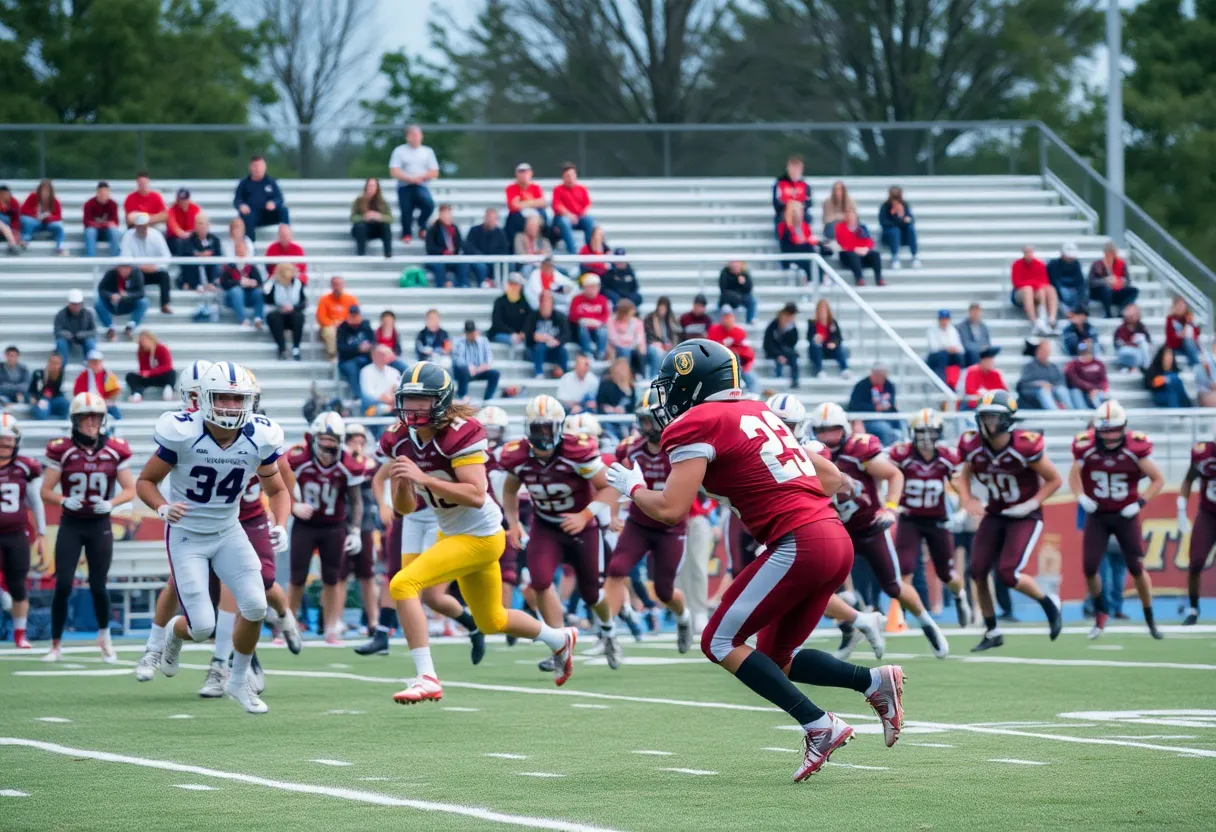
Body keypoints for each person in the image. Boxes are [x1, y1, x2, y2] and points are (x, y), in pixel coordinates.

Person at [605, 339, 904, 780]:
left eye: (673, 386)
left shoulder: (695, 423)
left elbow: (670, 509)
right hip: (833, 536)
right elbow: (833, 478)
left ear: (694, 383)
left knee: (718, 642)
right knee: (777, 656)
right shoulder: (761, 411)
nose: (667, 398)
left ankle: (819, 724)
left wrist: (632, 487)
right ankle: (872, 682)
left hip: (798, 541)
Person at [382, 370, 580, 700]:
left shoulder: (460, 434)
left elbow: (476, 493)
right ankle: (560, 639)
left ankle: (426, 676)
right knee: (491, 620)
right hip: (452, 532)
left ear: (441, 402)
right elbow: (403, 507)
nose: (413, 408)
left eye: (423, 401)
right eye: (409, 400)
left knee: (402, 584)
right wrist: (403, 481)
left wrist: (425, 479)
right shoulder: (398, 439)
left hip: (482, 534)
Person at [136, 362, 291, 713]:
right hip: (188, 536)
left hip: (229, 531)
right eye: (222, 397)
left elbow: (278, 489)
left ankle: (237, 681)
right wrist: (161, 508)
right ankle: (175, 633)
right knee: (202, 627)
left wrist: (279, 523)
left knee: (255, 605)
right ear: (204, 398)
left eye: (238, 400)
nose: (230, 407)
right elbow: (145, 482)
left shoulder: (259, 436)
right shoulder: (182, 433)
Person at [808, 402, 949, 658]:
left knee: (893, 586)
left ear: (846, 429)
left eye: (834, 430)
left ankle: (928, 624)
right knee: (822, 587)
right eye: (822, 431)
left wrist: (891, 508)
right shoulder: (812, 454)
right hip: (838, 531)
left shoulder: (858, 451)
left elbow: (895, 475)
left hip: (871, 526)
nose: (828, 437)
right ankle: (850, 630)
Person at [955, 390, 1064, 651]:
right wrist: (967, 498)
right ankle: (992, 631)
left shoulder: (1025, 445)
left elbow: (1055, 479)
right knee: (977, 570)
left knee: (1007, 572)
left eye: (993, 417)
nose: (986, 422)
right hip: (995, 511)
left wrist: (1031, 503)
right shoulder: (973, 445)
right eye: (984, 417)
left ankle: (1048, 602)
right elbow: (964, 473)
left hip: (1024, 515)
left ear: (1006, 420)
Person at [39, 393, 136, 662]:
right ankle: (55, 644)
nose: (91, 422)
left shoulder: (115, 449)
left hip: (99, 524)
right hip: (71, 524)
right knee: (63, 584)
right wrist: (63, 499)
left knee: (98, 584)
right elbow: (46, 491)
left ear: (103, 419)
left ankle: (104, 637)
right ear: (75, 420)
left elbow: (130, 489)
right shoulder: (63, 449)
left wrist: (111, 503)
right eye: (86, 416)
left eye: (96, 416)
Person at [601, 390, 696, 665]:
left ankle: (683, 617)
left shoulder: (682, 447)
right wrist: (614, 512)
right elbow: (617, 480)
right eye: (642, 421)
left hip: (670, 526)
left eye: (649, 420)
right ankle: (608, 634)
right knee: (617, 568)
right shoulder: (630, 448)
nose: (645, 427)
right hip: (639, 523)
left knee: (664, 591)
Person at [1069, 401, 1165, 640]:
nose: (1111, 436)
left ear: (1124, 428)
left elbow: (1158, 479)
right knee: (1090, 567)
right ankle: (1101, 614)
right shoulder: (1086, 447)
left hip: (1125, 514)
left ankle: (1150, 617)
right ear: (1096, 431)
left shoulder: (1135, 448)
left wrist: (1140, 503)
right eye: (1106, 430)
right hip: (1098, 514)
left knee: (1136, 567)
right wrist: (1081, 497)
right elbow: (1073, 476)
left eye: (1115, 430)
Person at [286, 412, 365, 644]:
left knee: (332, 577)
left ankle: (332, 627)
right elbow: (278, 485)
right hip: (305, 524)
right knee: (297, 576)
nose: (328, 446)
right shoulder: (299, 459)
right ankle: (288, 627)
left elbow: (356, 500)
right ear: (313, 437)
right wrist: (293, 505)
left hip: (334, 526)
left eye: (333, 440)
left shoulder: (349, 464)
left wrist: (356, 530)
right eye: (324, 439)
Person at [889, 409, 972, 627]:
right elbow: (889, 477)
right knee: (905, 569)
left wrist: (962, 508)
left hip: (937, 520)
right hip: (910, 518)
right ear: (913, 433)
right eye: (922, 432)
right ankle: (900, 618)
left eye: (931, 432)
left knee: (947, 574)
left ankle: (960, 596)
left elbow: (960, 483)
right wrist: (889, 505)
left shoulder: (947, 457)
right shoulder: (902, 455)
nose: (926, 438)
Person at [0, 413, 46, 649]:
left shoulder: (26, 467)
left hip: (16, 533)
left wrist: (42, 532)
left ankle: (20, 635)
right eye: (1, 440)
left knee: (18, 584)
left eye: (9, 440)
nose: (5, 445)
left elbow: (35, 501)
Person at [1178, 435, 1216, 624]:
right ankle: (1192, 607)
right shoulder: (1203, 453)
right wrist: (1181, 506)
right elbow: (1189, 479)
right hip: (1209, 514)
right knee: (1196, 561)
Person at [389, 125, 439, 244]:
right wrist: (410, 179)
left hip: (421, 185)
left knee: (429, 205)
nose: (416, 138)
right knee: (406, 210)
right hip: (405, 186)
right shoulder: (399, 151)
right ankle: (406, 234)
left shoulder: (427, 151)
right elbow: (394, 171)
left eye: (418, 135)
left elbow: (434, 171)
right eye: (413, 135)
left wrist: (420, 178)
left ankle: (422, 225)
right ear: (408, 137)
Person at [119, 212, 173, 314]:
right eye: (139, 226)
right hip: (136, 271)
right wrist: (140, 266)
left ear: (148, 226)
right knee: (133, 274)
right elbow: (125, 258)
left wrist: (156, 267)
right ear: (135, 226)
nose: (142, 229)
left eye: (144, 226)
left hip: (153, 270)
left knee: (164, 275)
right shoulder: (128, 236)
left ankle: (165, 304)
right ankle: (133, 303)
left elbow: (167, 257)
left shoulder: (156, 235)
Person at [233, 155, 289, 243]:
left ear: (265, 167)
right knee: (247, 216)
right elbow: (237, 200)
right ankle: (250, 247)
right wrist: (241, 205)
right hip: (252, 216)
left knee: (284, 210)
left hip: (267, 214)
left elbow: (280, 199)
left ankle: (287, 240)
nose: (258, 169)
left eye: (260, 166)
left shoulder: (271, 182)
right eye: (255, 166)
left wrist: (274, 203)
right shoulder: (244, 184)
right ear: (250, 167)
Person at [846, 364, 899, 446]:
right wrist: (875, 408)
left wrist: (887, 406)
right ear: (873, 375)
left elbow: (891, 402)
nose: (882, 379)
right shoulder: (861, 386)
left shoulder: (889, 385)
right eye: (880, 376)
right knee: (885, 429)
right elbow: (855, 406)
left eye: (884, 377)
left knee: (903, 424)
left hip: (887, 416)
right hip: (868, 419)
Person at [1011, 245, 1058, 334]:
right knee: (1028, 290)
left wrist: (1033, 285)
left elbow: (1044, 281)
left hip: (1037, 291)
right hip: (1021, 292)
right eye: (1026, 252)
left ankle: (1051, 319)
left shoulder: (1039, 264)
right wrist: (1032, 284)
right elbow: (1017, 282)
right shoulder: (1017, 265)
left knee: (1050, 289)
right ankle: (1034, 320)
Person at [706, 307, 756, 390]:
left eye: (729, 317)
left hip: (737, 365)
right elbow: (710, 348)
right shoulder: (714, 330)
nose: (727, 320)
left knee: (751, 380)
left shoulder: (739, 332)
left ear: (733, 318)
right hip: (719, 364)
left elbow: (748, 353)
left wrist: (745, 367)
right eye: (725, 317)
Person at [264, 263, 307, 361]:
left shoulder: (298, 284)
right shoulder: (272, 283)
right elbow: (267, 299)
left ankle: (296, 348)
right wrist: (280, 307)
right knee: (273, 317)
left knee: (299, 317)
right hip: (278, 312)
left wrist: (293, 308)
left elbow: (303, 303)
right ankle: (282, 348)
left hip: (293, 312)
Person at [219, 241, 265, 329]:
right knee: (237, 291)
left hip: (248, 296)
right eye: (238, 249)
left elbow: (259, 282)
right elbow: (224, 283)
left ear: (246, 251)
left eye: (242, 249)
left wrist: (252, 283)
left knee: (258, 292)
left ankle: (258, 319)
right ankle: (242, 319)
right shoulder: (229, 266)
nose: (240, 251)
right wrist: (239, 283)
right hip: (233, 298)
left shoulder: (250, 267)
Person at [524, 291, 570, 378]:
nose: (546, 305)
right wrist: (534, 337)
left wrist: (556, 340)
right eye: (544, 303)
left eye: (549, 303)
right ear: (540, 304)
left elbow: (567, 335)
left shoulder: (560, 317)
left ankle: (565, 373)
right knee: (540, 347)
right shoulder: (532, 316)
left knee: (563, 351)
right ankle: (539, 373)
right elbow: (527, 337)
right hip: (535, 351)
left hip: (553, 348)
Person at [551, 162, 595, 254]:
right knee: (564, 221)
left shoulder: (582, 189)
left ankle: (589, 250)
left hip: (579, 217)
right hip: (563, 218)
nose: (570, 178)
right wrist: (569, 215)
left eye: (572, 175)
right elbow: (557, 206)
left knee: (590, 219)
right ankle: (573, 251)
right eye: (567, 176)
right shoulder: (558, 189)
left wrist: (582, 213)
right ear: (563, 177)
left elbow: (587, 204)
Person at [95, 264, 147, 340]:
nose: (124, 270)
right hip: (112, 303)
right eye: (122, 267)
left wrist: (128, 295)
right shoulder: (111, 273)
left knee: (143, 302)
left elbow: (141, 293)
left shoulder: (137, 273)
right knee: (98, 302)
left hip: (129, 303)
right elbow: (101, 289)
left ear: (131, 268)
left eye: (127, 268)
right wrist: (111, 295)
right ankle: (110, 328)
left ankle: (130, 326)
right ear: (118, 268)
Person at [451, 320, 500, 401]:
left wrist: (478, 369)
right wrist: (468, 367)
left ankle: (488, 398)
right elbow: (457, 360)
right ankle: (462, 395)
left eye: (473, 332)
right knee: (462, 369)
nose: (471, 335)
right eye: (469, 333)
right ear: (466, 333)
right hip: (465, 372)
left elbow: (489, 359)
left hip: (479, 370)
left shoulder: (484, 341)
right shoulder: (459, 342)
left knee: (495, 374)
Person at [777, 201, 825, 282]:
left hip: (805, 253)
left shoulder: (804, 225)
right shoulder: (783, 226)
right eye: (797, 211)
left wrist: (813, 241)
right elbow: (789, 242)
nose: (800, 214)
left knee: (816, 251)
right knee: (809, 251)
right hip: (791, 254)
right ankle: (814, 281)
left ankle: (819, 280)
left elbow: (809, 238)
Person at [1016, 339, 1071, 410]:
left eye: (1047, 351)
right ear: (1038, 351)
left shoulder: (1053, 367)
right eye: (1043, 350)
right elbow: (1022, 384)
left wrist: (1052, 386)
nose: (1045, 353)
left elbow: (1060, 382)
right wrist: (1039, 384)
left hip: (1053, 391)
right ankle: (1056, 413)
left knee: (1062, 390)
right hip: (1034, 393)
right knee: (1044, 391)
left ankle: (1072, 412)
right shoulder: (1029, 366)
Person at [423, 204, 469, 288]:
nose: (447, 216)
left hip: (451, 258)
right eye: (445, 214)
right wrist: (443, 251)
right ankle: (441, 286)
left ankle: (463, 286)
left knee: (463, 264)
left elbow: (459, 244)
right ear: (440, 215)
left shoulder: (454, 228)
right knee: (439, 265)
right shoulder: (433, 228)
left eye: (449, 214)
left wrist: (453, 251)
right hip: (436, 258)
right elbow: (430, 247)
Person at [1089, 241, 1138, 318]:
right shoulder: (1097, 265)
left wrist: (1121, 281)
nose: (1111, 256)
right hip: (1102, 293)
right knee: (1106, 289)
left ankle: (1121, 310)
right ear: (1105, 254)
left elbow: (1128, 281)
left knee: (1134, 291)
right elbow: (1091, 282)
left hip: (1116, 290)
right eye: (1109, 254)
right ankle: (1108, 313)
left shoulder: (1121, 264)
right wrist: (1105, 280)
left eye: (1113, 254)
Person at [834, 209, 883, 285]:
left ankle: (879, 279)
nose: (851, 218)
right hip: (848, 254)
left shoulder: (861, 227)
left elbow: (869, 241)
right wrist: (855, 249)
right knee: (853, 255)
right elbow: (843, 243)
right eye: (849, 216)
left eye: (853, 216)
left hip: (862, 252)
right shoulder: (840, 227)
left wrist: (866, 249)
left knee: (875, 254)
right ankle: (859, 279)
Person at [316, 276, 359, 362]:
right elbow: (321, 317)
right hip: (329, 326)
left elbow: (356, 315)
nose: (338, 287)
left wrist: (344, 323)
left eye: (339, 284)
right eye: (335, 284)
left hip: (346, 326)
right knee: (330, 331)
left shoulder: (351, 299)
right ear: (331, 286)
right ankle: (332, 355)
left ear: (343, 285)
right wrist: (333, 323)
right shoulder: (324, 299)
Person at [568, 273, 611, 359]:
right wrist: (582, 320)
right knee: (582, 328)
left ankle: (601, 353)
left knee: (603, 331)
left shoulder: (602, 299)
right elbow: (572, 315)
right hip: (582, 328)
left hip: (597, 327)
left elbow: (606, 315)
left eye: (595, 287)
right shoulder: (577, 299)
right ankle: (587, 352)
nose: (592, 290)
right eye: (590, 287)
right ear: (584, 288)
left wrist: (598, 322)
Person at [124, 331, 176, 403]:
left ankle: (169, 390)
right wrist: (144, 373)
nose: (143, 343)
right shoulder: (141, 351)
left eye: (144, 340)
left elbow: (167, 366)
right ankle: (137, 393)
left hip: (160, 376)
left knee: (172, 373)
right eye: (141, 341)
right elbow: (142, 368)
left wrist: (150, 372)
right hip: (149, 378)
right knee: (130, 376)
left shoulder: (162, 349)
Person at [337, 305, 377, 397]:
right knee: (352, 368)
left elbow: (373, 343)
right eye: (352, 315)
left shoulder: (366, 327)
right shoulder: (342, 329)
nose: (354, 318)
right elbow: (341, 349)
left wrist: (368, 348)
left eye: (356, 315)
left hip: (364, 358)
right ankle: (359, 396)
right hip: (347, 360)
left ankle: (373, 394)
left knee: (372, 366)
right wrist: (358, 348)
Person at [20, 178, 66, 254]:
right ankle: (25, 239)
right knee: (26, 220)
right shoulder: (32, 197)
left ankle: (60, 247)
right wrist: (35, 215)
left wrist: (49, 217)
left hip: (48, 223)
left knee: (59, 226)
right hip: (34, 222)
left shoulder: (54, 201)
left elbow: (59, 216)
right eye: (43, 190)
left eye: (47, 191)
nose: (44, 193)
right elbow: (23, 210)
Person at [878, 186, 920, 269]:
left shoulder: (904, 205)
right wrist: (899, 219)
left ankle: (914, 255)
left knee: (911, 229)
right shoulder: (885, 206)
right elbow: (884, 222)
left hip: (903, 234)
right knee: (895, 231)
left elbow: (910, 219)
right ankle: (895, 257)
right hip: (890, 235)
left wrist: (905, 218)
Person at [350, 177, 393, 257]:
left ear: (377, 188)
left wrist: (379, 217)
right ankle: (361, 254)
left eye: (373, 186)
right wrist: (364, 217)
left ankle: (388, 254)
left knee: (386, 227)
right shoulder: (359, 200)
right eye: (369, 186)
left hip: (376, 229)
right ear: (366, 187)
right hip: (363, 229)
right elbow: (352, 218)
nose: (371, 188)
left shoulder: (382, 202)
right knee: (360, 227)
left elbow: (390, 218)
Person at [505, 162, 548, 242]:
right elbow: (513, 206)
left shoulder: (535, 187)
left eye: (526, 172)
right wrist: (533, 202)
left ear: (531, 173)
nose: (523, 175)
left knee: (543, 219)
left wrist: (523, 203)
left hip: (535, 216)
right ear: (516, 174)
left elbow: (542, 203)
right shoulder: (511, 188)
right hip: (519, 218)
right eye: (521, 172)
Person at [606, 298, 650, 376]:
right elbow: (613, 339)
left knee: (649, 351)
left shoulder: (637, 322)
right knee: (625, 351)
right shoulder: (611, 321)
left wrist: (627, 341)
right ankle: (626, 375)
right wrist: (628, 341)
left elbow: (639, 339)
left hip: (633, 349)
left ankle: (641, 376)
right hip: (616, 349)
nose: (631, 315)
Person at [73, 350, 122, 420]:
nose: (96, 364)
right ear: (89, 363)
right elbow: (78, 394)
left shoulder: (107, 375)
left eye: (98, 362)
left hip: (105, 404)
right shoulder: (82, 376)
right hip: (88, 405)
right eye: (93, 362)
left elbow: (114, 392)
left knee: (115, 412)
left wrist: (106, 401)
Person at [464, 208, 508, 285]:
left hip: (495, 260)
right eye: (490, 218)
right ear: (485, 218)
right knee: (481, 266)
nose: (492, 221)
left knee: (505, 265)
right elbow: (468, 247)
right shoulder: (474, 231)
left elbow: (504, 250)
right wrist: (480, 256)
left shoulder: (500, 233)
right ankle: (483, 285)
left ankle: (498, 284)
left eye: (494, 219)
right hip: (478, 259)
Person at [596, 359, 637, 441]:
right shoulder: (606, 384)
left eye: (623, 369)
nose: (621, 372)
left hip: (627, 419)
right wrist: (612, 409)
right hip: (610, 419)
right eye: (619, 369)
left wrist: (624, 409)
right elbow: (600, 403)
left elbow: (633, 406)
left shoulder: (631, 387)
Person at [53, 289, 99, 363]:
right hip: (67, 339)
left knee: (90, 342)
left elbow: (94, 331)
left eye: (78, 304)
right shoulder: (61, 314)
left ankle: (90, 364)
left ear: (81, 304)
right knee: (61, 343)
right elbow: (57, 331)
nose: (76, 306)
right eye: (74, 304)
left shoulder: (88, 314)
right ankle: (62, 366)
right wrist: (65, 333)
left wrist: (83, 334)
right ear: (69, 303)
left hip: (83, 339)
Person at [763, 303, 801, 389]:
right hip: (773, 351)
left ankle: (795, 380)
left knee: (793, 357)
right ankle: (777, 377)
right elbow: (768, 344)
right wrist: (778, 355)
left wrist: (787, 331)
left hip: (786, 351)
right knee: (779, 359)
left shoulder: (792, 327)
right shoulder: (773, 326)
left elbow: (793, 342)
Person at [179, 215, 222, 291]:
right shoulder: (188, 240)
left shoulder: (215, 240)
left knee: (215, 263)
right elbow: (187, 255)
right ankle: (194, 285)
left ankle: (212, 283)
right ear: (195, 225)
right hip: (194, 272)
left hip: (210, 269)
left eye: (204, 224)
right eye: (199, 224)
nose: (202, 226)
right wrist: (201, 254)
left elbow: (218, 255)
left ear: (208, 225)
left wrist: (207, 255)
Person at [1064, 340, 1110, 409]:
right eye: (1083, 353)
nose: (1085, 355)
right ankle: (1083, 412)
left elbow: (1104, 381)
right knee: (1075, 392)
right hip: (1080, 390)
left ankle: (1101, 413)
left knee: (1103, 395)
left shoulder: (1099, 364)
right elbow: (1075, 381)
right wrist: (1091, 388)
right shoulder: (1073, 364)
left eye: (1087, 352)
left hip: (1096, 391)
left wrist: (1096, 390)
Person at [359, 346, 402, 417]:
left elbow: (398, 388)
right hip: (372, 407)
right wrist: (382, 398)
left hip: (391, 404)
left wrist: (393, 397)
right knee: (381, 409)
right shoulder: (366, 371)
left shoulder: (394, 372)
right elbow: (367, 393)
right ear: (374, 356)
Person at [489, 272, 530, 346]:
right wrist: (512, 333)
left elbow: (529, 319)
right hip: (501, 333)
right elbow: (497, 322)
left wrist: (523, 332)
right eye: (513, 284)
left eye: (517, 285)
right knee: (513, 341)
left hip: (519, 334)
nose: (515, 287)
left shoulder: (524, 302)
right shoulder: (500, 301)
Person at [82, 181, 121, 257]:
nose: (103, 195)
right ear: (97, 193)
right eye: (101, 193)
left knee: (114, 231)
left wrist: (98, 224)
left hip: (107, 232)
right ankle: (90, 258)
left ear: (109, 193)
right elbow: (86, 222)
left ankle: (116, 258)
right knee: (90, 231)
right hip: (94, 232)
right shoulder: (89, 204)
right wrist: (104, 224)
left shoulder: (113, 204)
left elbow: (115, 222)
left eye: (106, 193)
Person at [925, 309, 965, 383]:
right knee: (942, 356)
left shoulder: (952, 330)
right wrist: (948, 348)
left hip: (950, 356)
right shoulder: (932, 330)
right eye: (942, 319)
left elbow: (960, 348)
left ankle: (955, 382)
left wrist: (952, 349)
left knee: (958, 357)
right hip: (936, 357)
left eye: (946, 319)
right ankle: (941, 381)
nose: (944, 321)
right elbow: (934, 348)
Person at [643, 295, 681, 368]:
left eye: (664, 308)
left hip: (669, 345)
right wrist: (659, 344)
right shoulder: (650, 318)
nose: (662, 310)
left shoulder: (671, 319)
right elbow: (648, 334)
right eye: (660, 308)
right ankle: (654, 376)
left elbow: (677, 334)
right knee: (658, 352)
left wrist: (671, 344)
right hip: (654, 344)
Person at [772, 154, 809, 227]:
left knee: (803, 214)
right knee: (790, 208)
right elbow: (776, 202)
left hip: (801, 214)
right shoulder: (780, 183)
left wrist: (797, 206)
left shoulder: (805, 185)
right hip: (783, 213)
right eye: (793, 167)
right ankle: (795, 234)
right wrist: (790, 206)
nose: (795, 170)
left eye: (798, 168)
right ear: (788, 168)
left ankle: (797, 234)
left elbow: (808, 202)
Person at [1047, 242, 1087, 312]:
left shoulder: (1076, 264)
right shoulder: (1053, 264)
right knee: (1065, 294)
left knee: (1083, 293)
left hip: (1072, 289)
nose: (1070, 260)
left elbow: (1080, 282)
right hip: (1060, 290)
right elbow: (1055, 282)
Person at [28, 352, 68, 420]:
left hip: (53, 399)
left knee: (65, 403)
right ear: (48, 363)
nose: (54, 365)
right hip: (39, 399)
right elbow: (33, 391)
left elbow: (56, 390)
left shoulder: (60, 374)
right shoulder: (38, 374)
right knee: (43, 407)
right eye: (52, 362)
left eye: (57, 363)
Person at [1165, 296, 1202, 367]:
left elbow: (1196, 335)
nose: (1180, 307)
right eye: (1178, 305)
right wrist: (1181, 335)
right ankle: (1197, 366)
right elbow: (1170, 340)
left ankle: (1196, 366)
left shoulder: (1189, 318)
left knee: (1188, 340)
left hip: (1190, 346)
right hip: (1177, 347)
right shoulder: (1170, 319)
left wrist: (1188, 324)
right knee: (1186, 339)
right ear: (1174, 307)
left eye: (1182, 305)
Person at [1113, 304, 1151, 372]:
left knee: (1142, 341)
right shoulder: (1120, 329)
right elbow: (1118, 346)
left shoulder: (1142, 328)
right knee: (1125, 352)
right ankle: (1129, 367)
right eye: (1129, 315)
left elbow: (1148, 342)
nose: (1131, 317)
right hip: (1126, 353)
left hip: (1139, 353)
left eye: (1134, 314)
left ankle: (1144, 367)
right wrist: (1131, 343)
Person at [166, 188, 200, 256]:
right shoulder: (171, 210)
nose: (183, 202)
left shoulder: (195, 208)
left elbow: (199, 224)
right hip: (175, 239)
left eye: (185, 199)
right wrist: (186, 234)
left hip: (191, 236)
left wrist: (191, 234)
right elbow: (174, 228)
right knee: (180, 243)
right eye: (180, 200)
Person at [957, 302, 993, 367]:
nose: (976, 314)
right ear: (970, 312)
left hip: (982, 353)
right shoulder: (962, 326)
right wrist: (980, 348)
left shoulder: (983, 326)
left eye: (977, 312)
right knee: (973, 353)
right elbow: (965, 344)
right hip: (968, 355)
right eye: (974, 312)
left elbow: (987, 342)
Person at [0, 185, 24, 253]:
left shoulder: (14, 203)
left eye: (5, 194)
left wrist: (5, 208)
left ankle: (12, 244)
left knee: (7, 227)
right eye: (1, 194)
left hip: (9, 228)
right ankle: (12, 243)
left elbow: (16, 220)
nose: (3, 196)